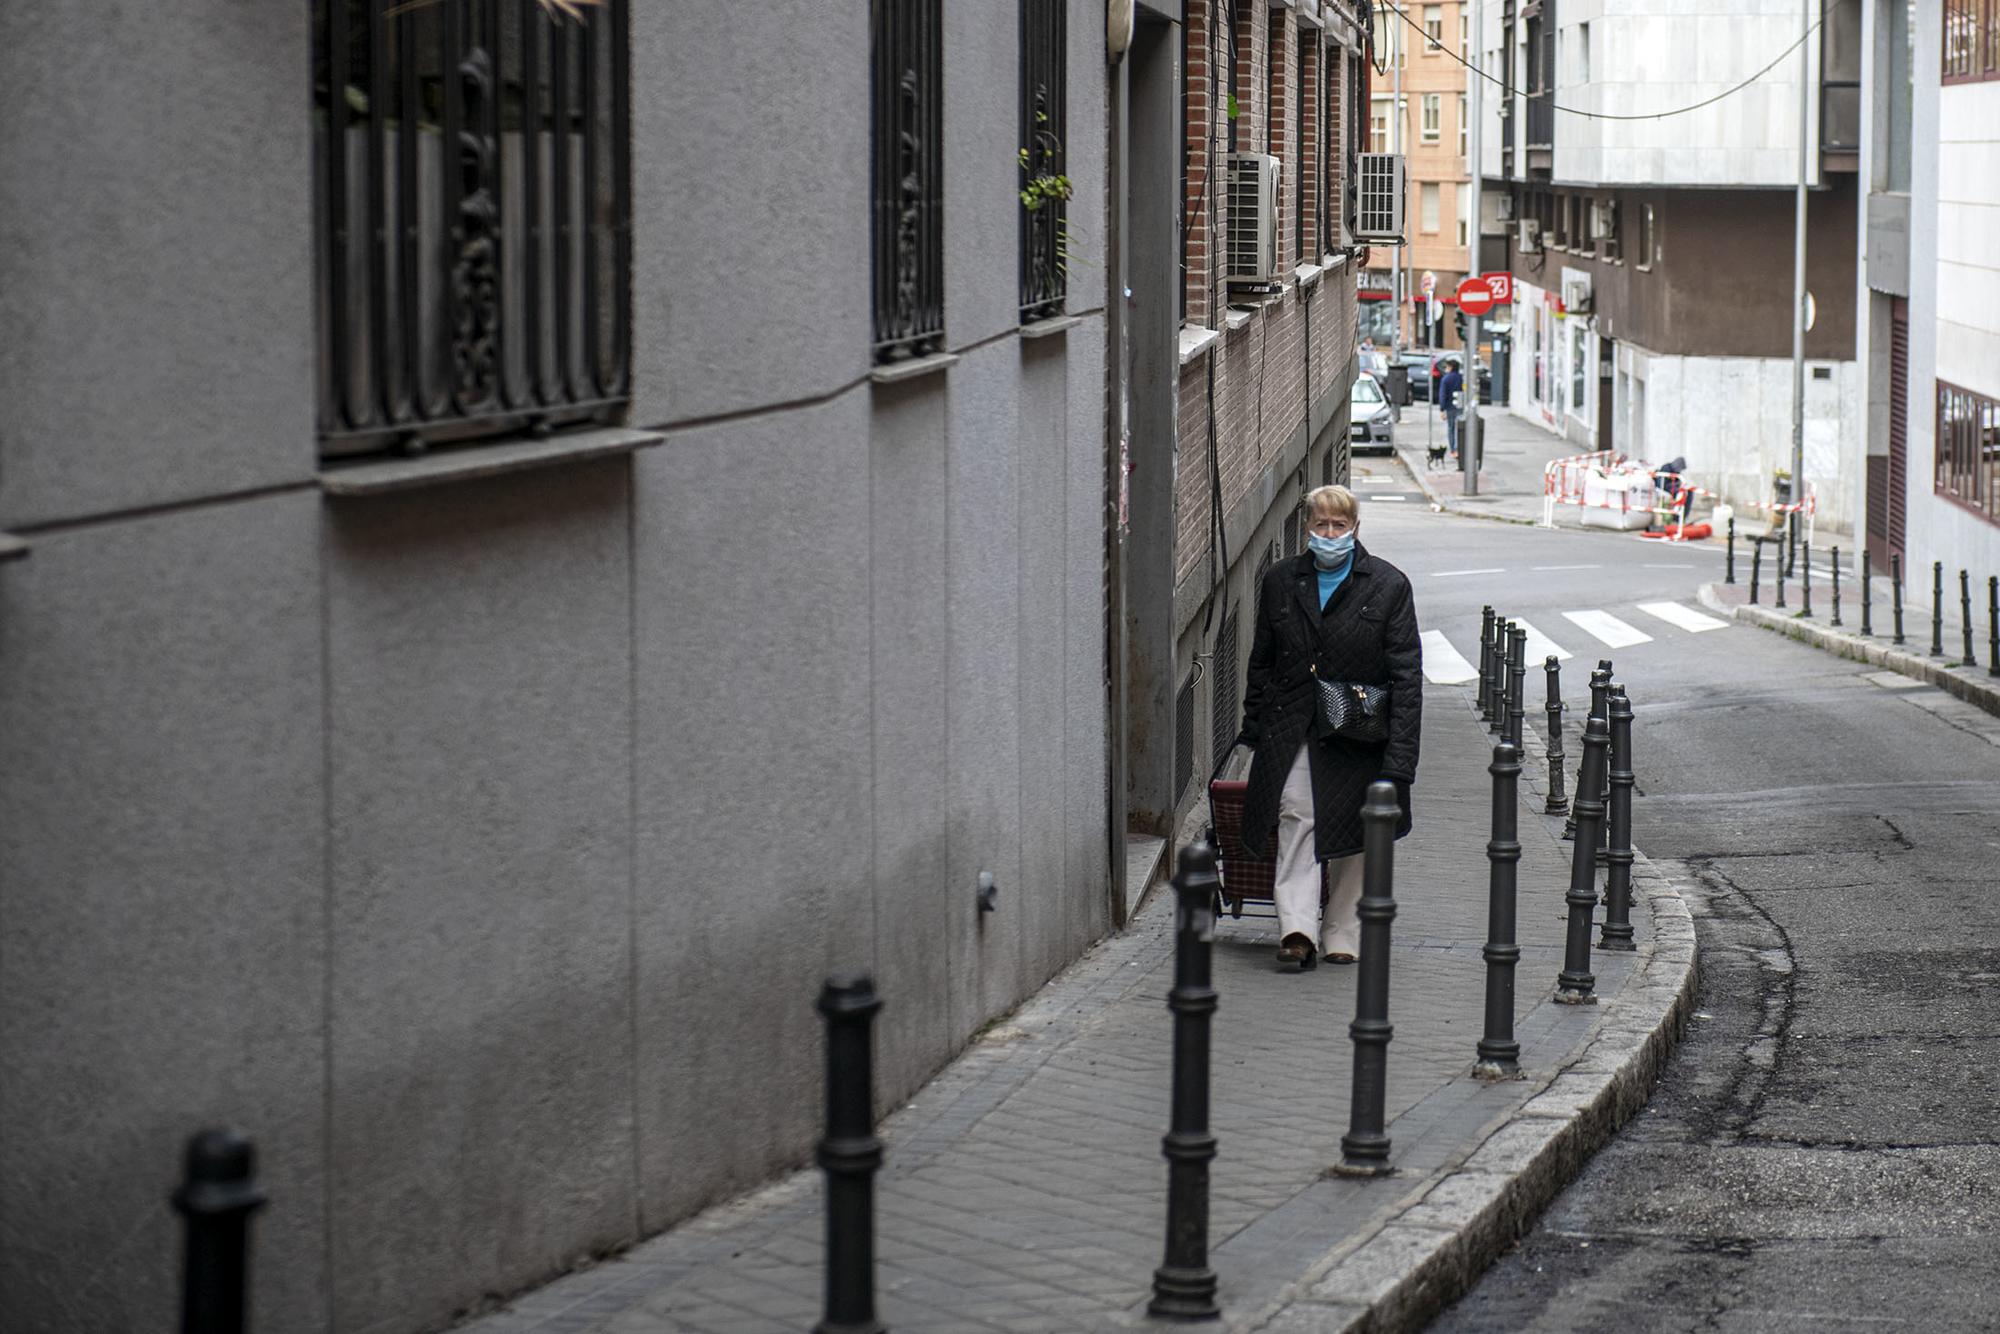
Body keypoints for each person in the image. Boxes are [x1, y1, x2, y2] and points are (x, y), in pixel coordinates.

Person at [1235, 485, 1423, 970]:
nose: (1330, 534)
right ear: (1308, 529)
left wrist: (1401, 759)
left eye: (1339, 526)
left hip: (1358, 729)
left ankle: (1343, 931)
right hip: (1293, 724)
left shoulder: (1387, 585)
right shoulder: (1281, 580)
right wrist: (1254, 726)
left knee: (1355, 829)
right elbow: (1263, 660)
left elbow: (1406, 675)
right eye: (1321, 525)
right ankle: (1297, 928)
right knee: (1298, 814)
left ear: (1356, 530)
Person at [1438, 357, 1464, 460]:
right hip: (1460, 405)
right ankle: (1458, 449)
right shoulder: (1461, 378)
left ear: (1451, 367)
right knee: (1459, 428)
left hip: (1449, 407)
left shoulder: (1446, 379)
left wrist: (1442, 409)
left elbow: (1443, 395)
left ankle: (1453, 450)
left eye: (1447, 367)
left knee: (1451, 428)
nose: (1445, 369)